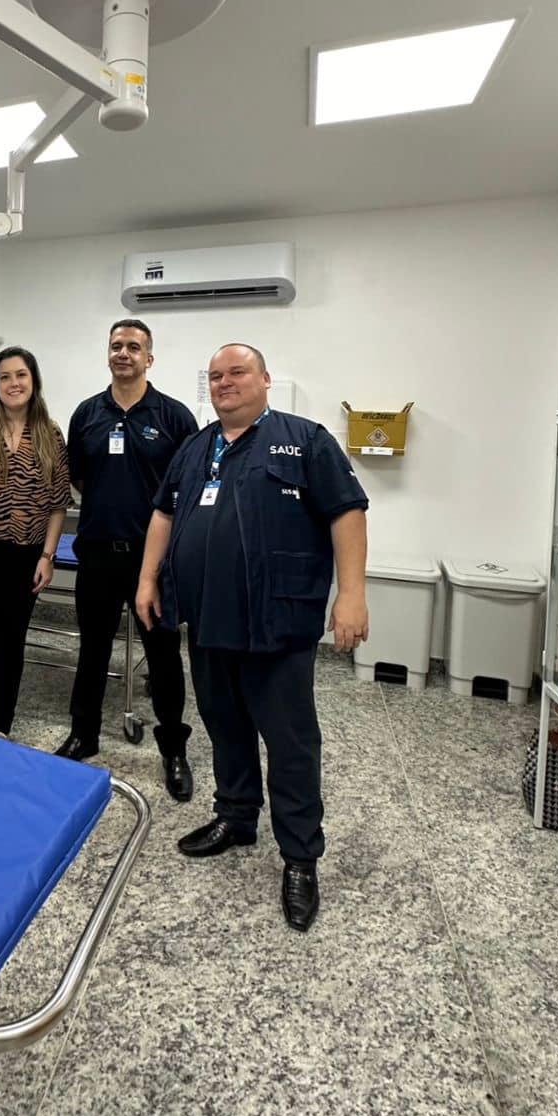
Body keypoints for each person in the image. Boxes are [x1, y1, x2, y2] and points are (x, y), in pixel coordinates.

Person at [135, 343, 369, 933]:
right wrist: (147, 578)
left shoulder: (304, 440)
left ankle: (300, 857)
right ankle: (237, 817)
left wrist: (351, 594)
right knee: (224, 724)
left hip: (276, 621)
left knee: (290, 742)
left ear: (265, 379)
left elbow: (346, 512)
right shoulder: (197, 447)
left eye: (237, 372)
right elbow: (164, 513)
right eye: (215, 376)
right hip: (208, 619)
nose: (224, 382)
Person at [56, 318, 199, 801]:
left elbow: (188, 488)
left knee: (163, 657)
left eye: (133, 347)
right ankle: (84, 734)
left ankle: (173, 749)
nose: (123, 353)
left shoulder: (175, 417)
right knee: (93, 650)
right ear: (108, 354)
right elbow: (79, 477)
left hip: (152, 561)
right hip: (98, 553)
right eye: (116, 345)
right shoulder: (87, 414)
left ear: (149, 358)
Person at [0, 347, 72, 734]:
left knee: (11, 644)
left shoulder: (50, 432)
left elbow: (58, 504)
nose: (13, 383)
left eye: (21, 375)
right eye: (4, 376)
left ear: (33, 380)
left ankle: (2, 727)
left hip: (26, 557)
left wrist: (48, 557)